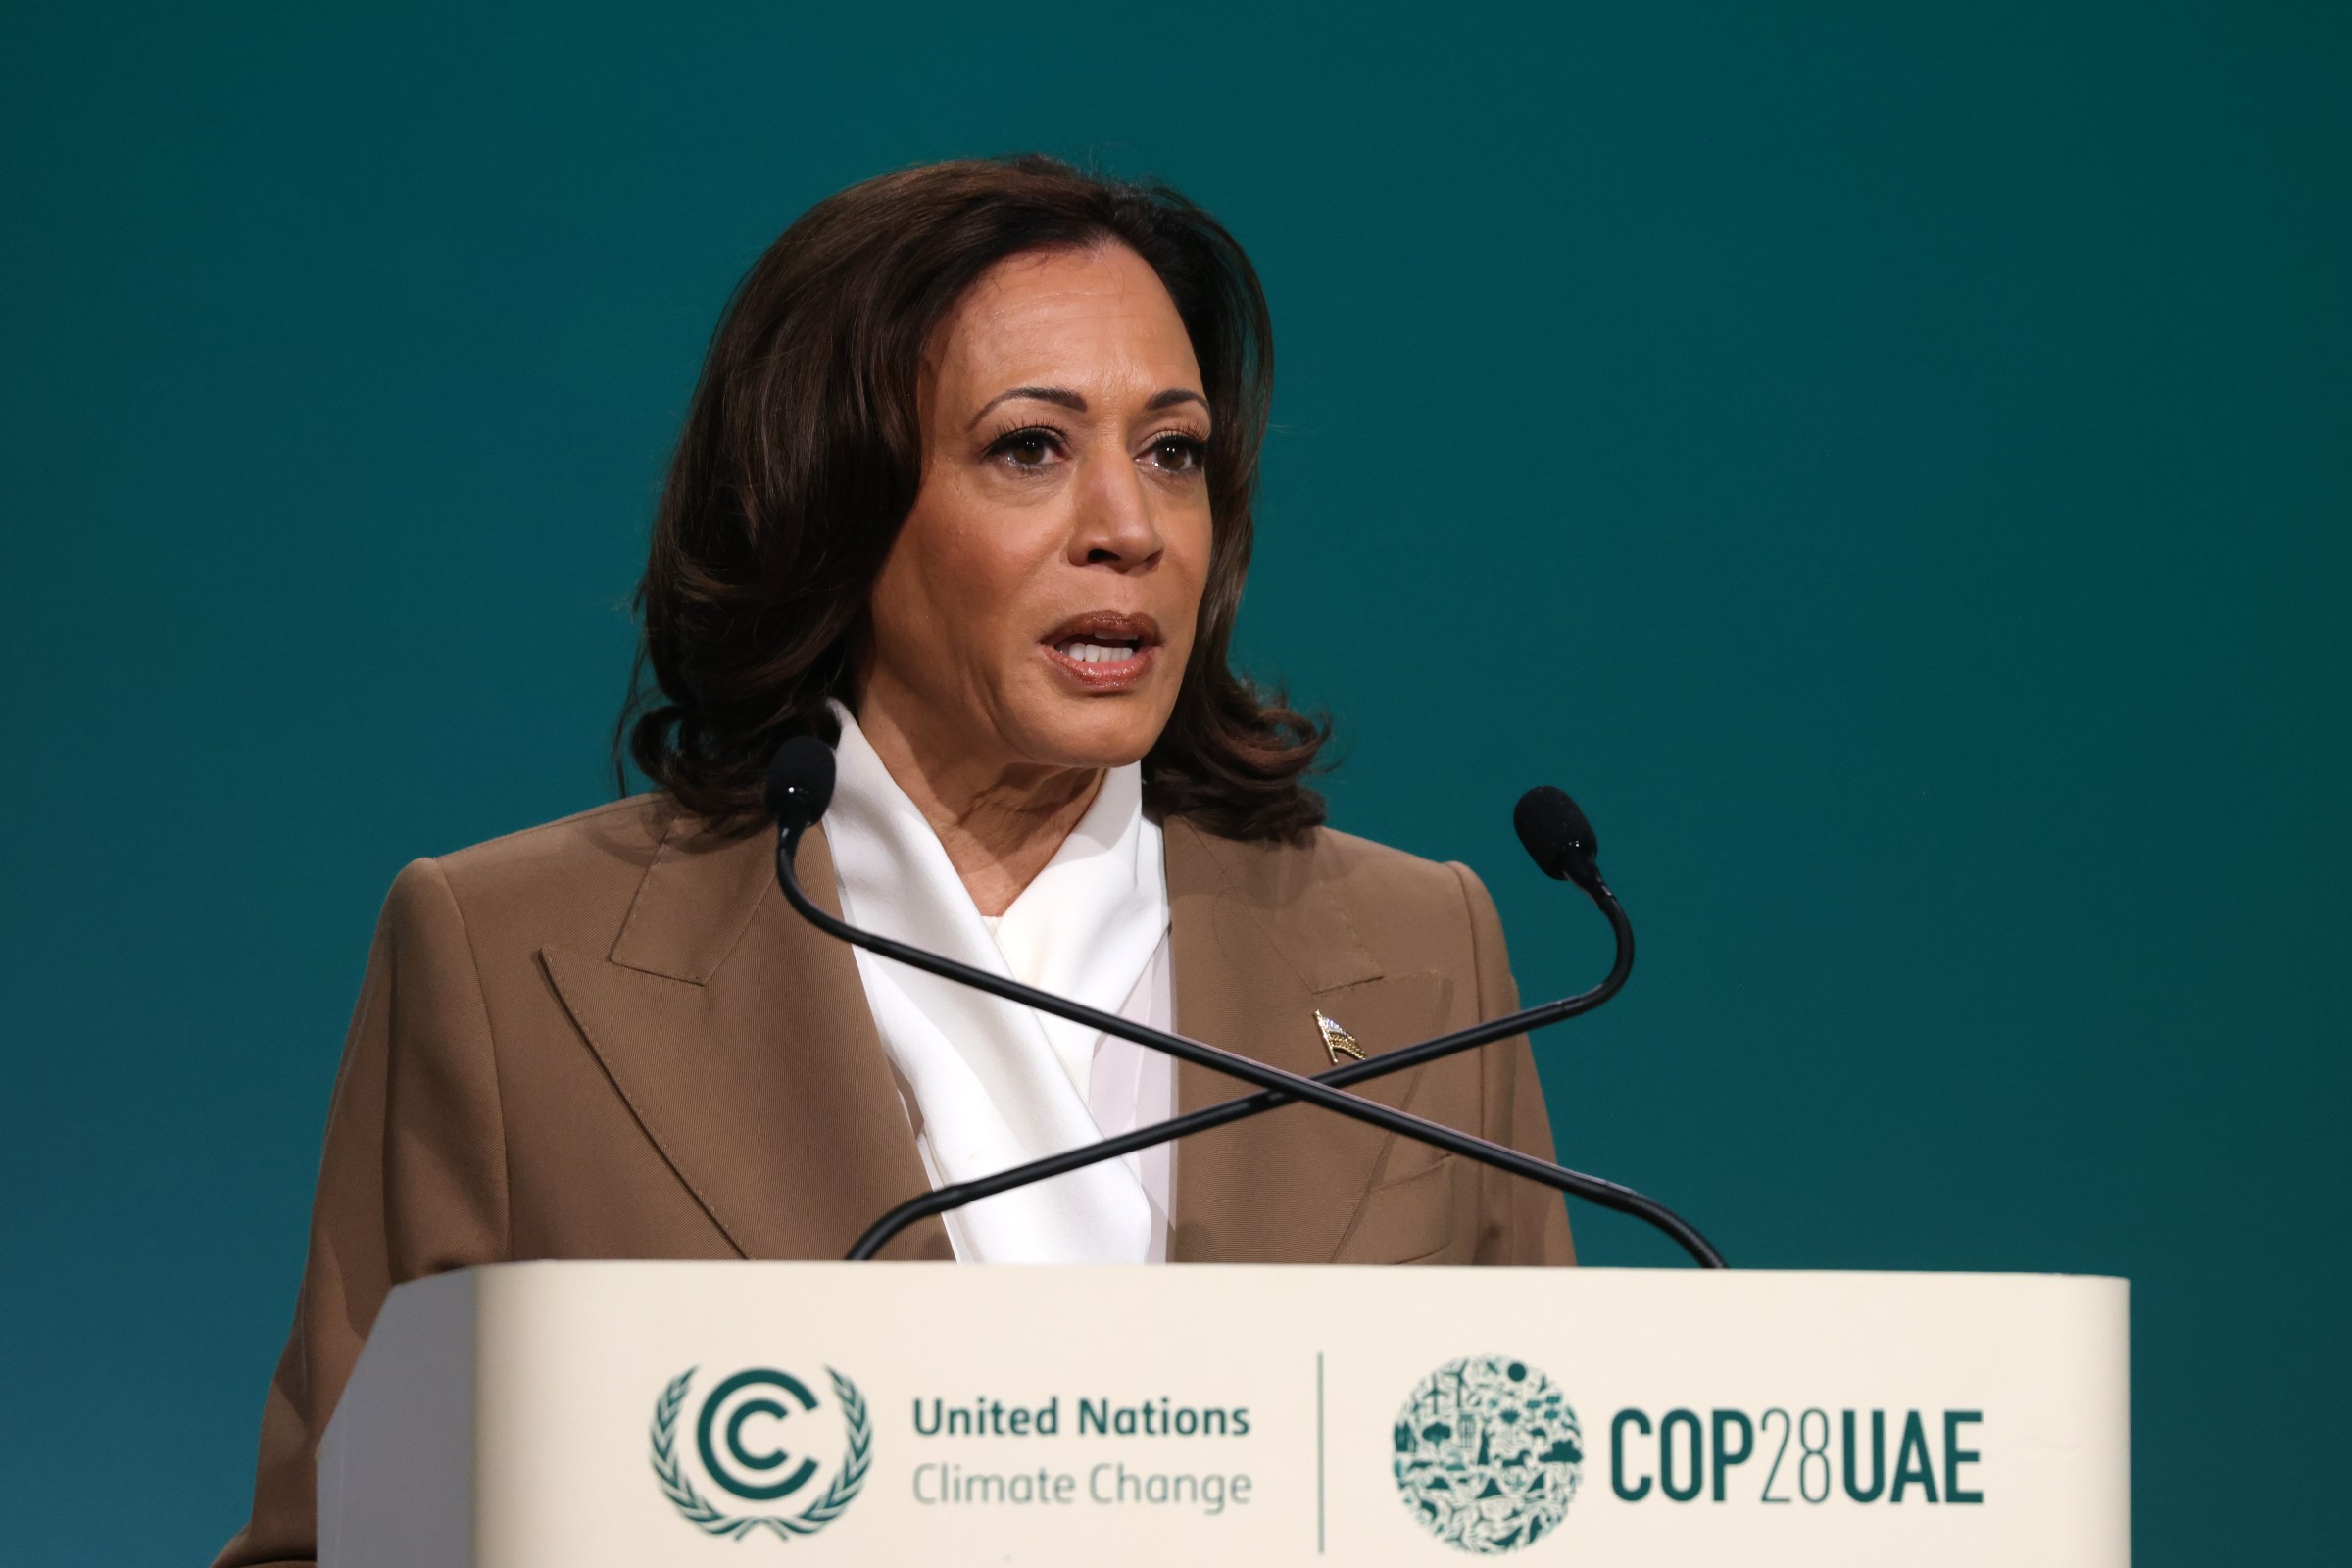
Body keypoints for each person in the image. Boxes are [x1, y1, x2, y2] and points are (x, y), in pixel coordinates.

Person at [215, 154, 1573, 1568]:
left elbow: (1555, 1504)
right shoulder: (507, 964)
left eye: (1174, 451)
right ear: (835, 504)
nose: (1130, 527)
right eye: (1030, 449)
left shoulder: (1422, 957)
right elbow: (337, 1540)